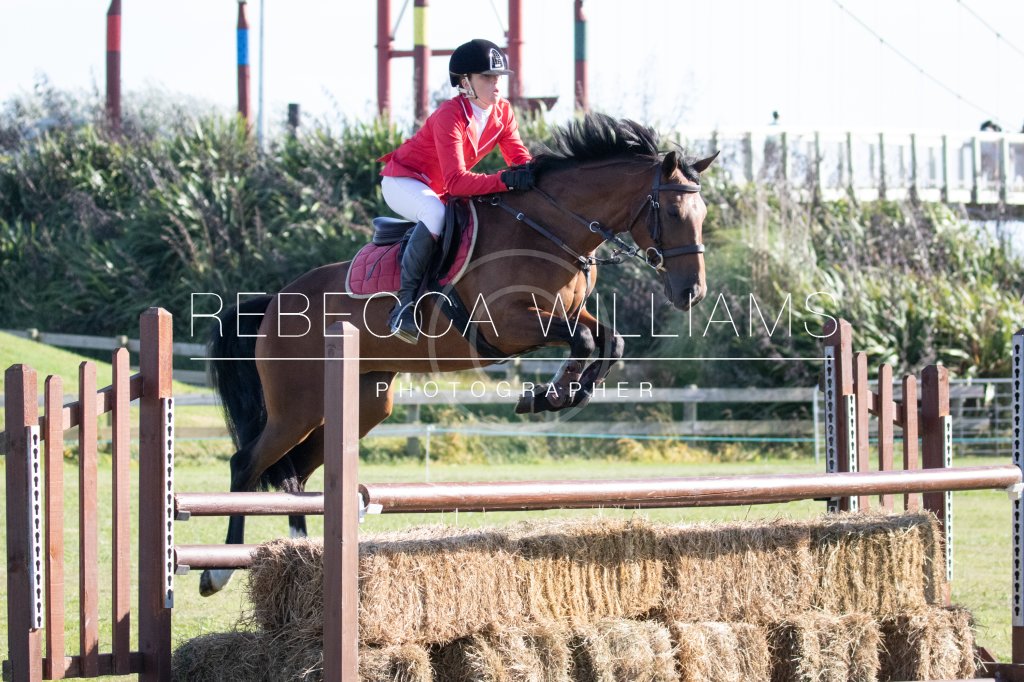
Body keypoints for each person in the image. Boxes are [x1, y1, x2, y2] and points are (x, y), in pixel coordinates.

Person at [378, 38, 535, 343]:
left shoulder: (503, 112)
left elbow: (520, 160)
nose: (496, 83)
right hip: (404, 180)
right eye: (487, 77)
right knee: (435, 214)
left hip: (438, 188)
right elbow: (458, 183)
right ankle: (404, 305)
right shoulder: (450, 114)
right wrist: (505, 180)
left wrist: (536, 174)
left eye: (498, 76)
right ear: (465, 82)